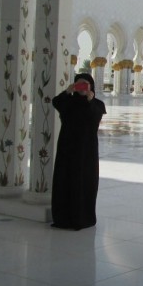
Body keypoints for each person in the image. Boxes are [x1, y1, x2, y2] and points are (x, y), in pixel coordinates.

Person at [50, 73, 107, 230]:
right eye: (79, 84)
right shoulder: (68, 102)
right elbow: (56, 102)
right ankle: (63, 218)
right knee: (65, 180)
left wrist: (89, 100)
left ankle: (83, 218)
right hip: (67, 148)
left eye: (85, 85)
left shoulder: (97, 104)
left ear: (91, 86)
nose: (82, 88)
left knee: (84, 182)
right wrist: (68, 91)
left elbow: (94, 118)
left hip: (86, 151)